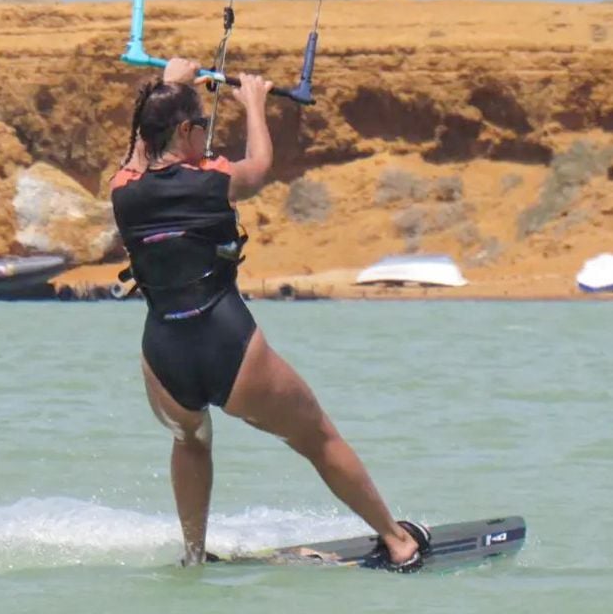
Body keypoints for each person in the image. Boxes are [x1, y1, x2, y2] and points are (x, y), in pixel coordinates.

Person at [109, 58, 431, 572]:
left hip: (163, 355)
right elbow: (258, 168)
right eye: (202, 126)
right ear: (186, 131)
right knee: (316, 436)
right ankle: (398, 542)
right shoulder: (211, 181)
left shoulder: (122, 189)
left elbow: (139, 151)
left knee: (190, 441)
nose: (207, 135)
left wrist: (171, 85)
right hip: (227, 343)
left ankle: (193, 554)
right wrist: (255, 103)